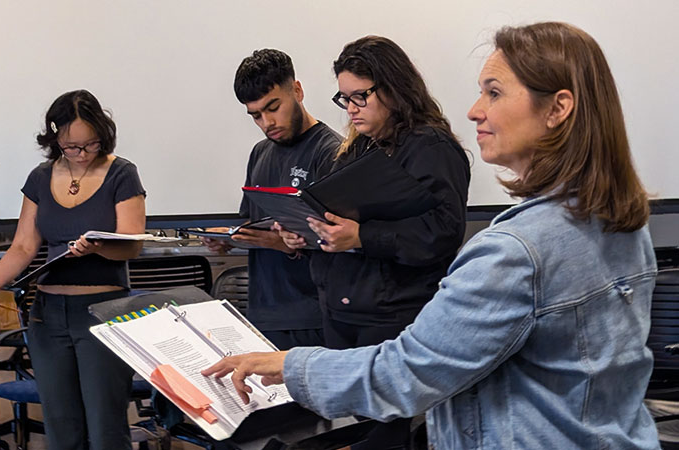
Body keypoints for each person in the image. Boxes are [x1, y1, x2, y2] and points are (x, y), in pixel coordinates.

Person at [204, 22, 660, 449]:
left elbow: (406, 374)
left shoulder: (513, 252)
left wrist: (289, 365)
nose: (475, 110)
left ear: (558, 108)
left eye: (494, 93)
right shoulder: (622, 223)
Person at [273, 35, 470, 448]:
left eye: (360, 96)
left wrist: (362, 236)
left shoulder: (430, 146)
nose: (351, 109)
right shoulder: (359, 146)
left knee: (384, 436)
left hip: (390, 315)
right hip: (345, 309)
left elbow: (442, 232)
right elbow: (345, 218)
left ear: (394, 88)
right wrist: (310, 230)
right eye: (343, 99)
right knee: (354, 429)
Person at [0, 89, 146, 449]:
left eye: (91, 145)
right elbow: (23, 245)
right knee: (62, 429)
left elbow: (133, 243)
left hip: (103, 314)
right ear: (55, 139)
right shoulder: (40, 177)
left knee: (106, 430)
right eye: (71, 147)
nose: (82, 154)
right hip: (47, 317)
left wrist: (99, 246)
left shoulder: (122, 173)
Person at [202, 49, 340, 350]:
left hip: (314, 317)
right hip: (263, 314)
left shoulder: (331, 152)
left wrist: (281, 243)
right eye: (256, 116)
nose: (266, 122)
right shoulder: (260, 153)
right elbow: (252, 225)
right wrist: (229, 239)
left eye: (273, 108)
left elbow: (343, 246)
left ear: (298, 91)